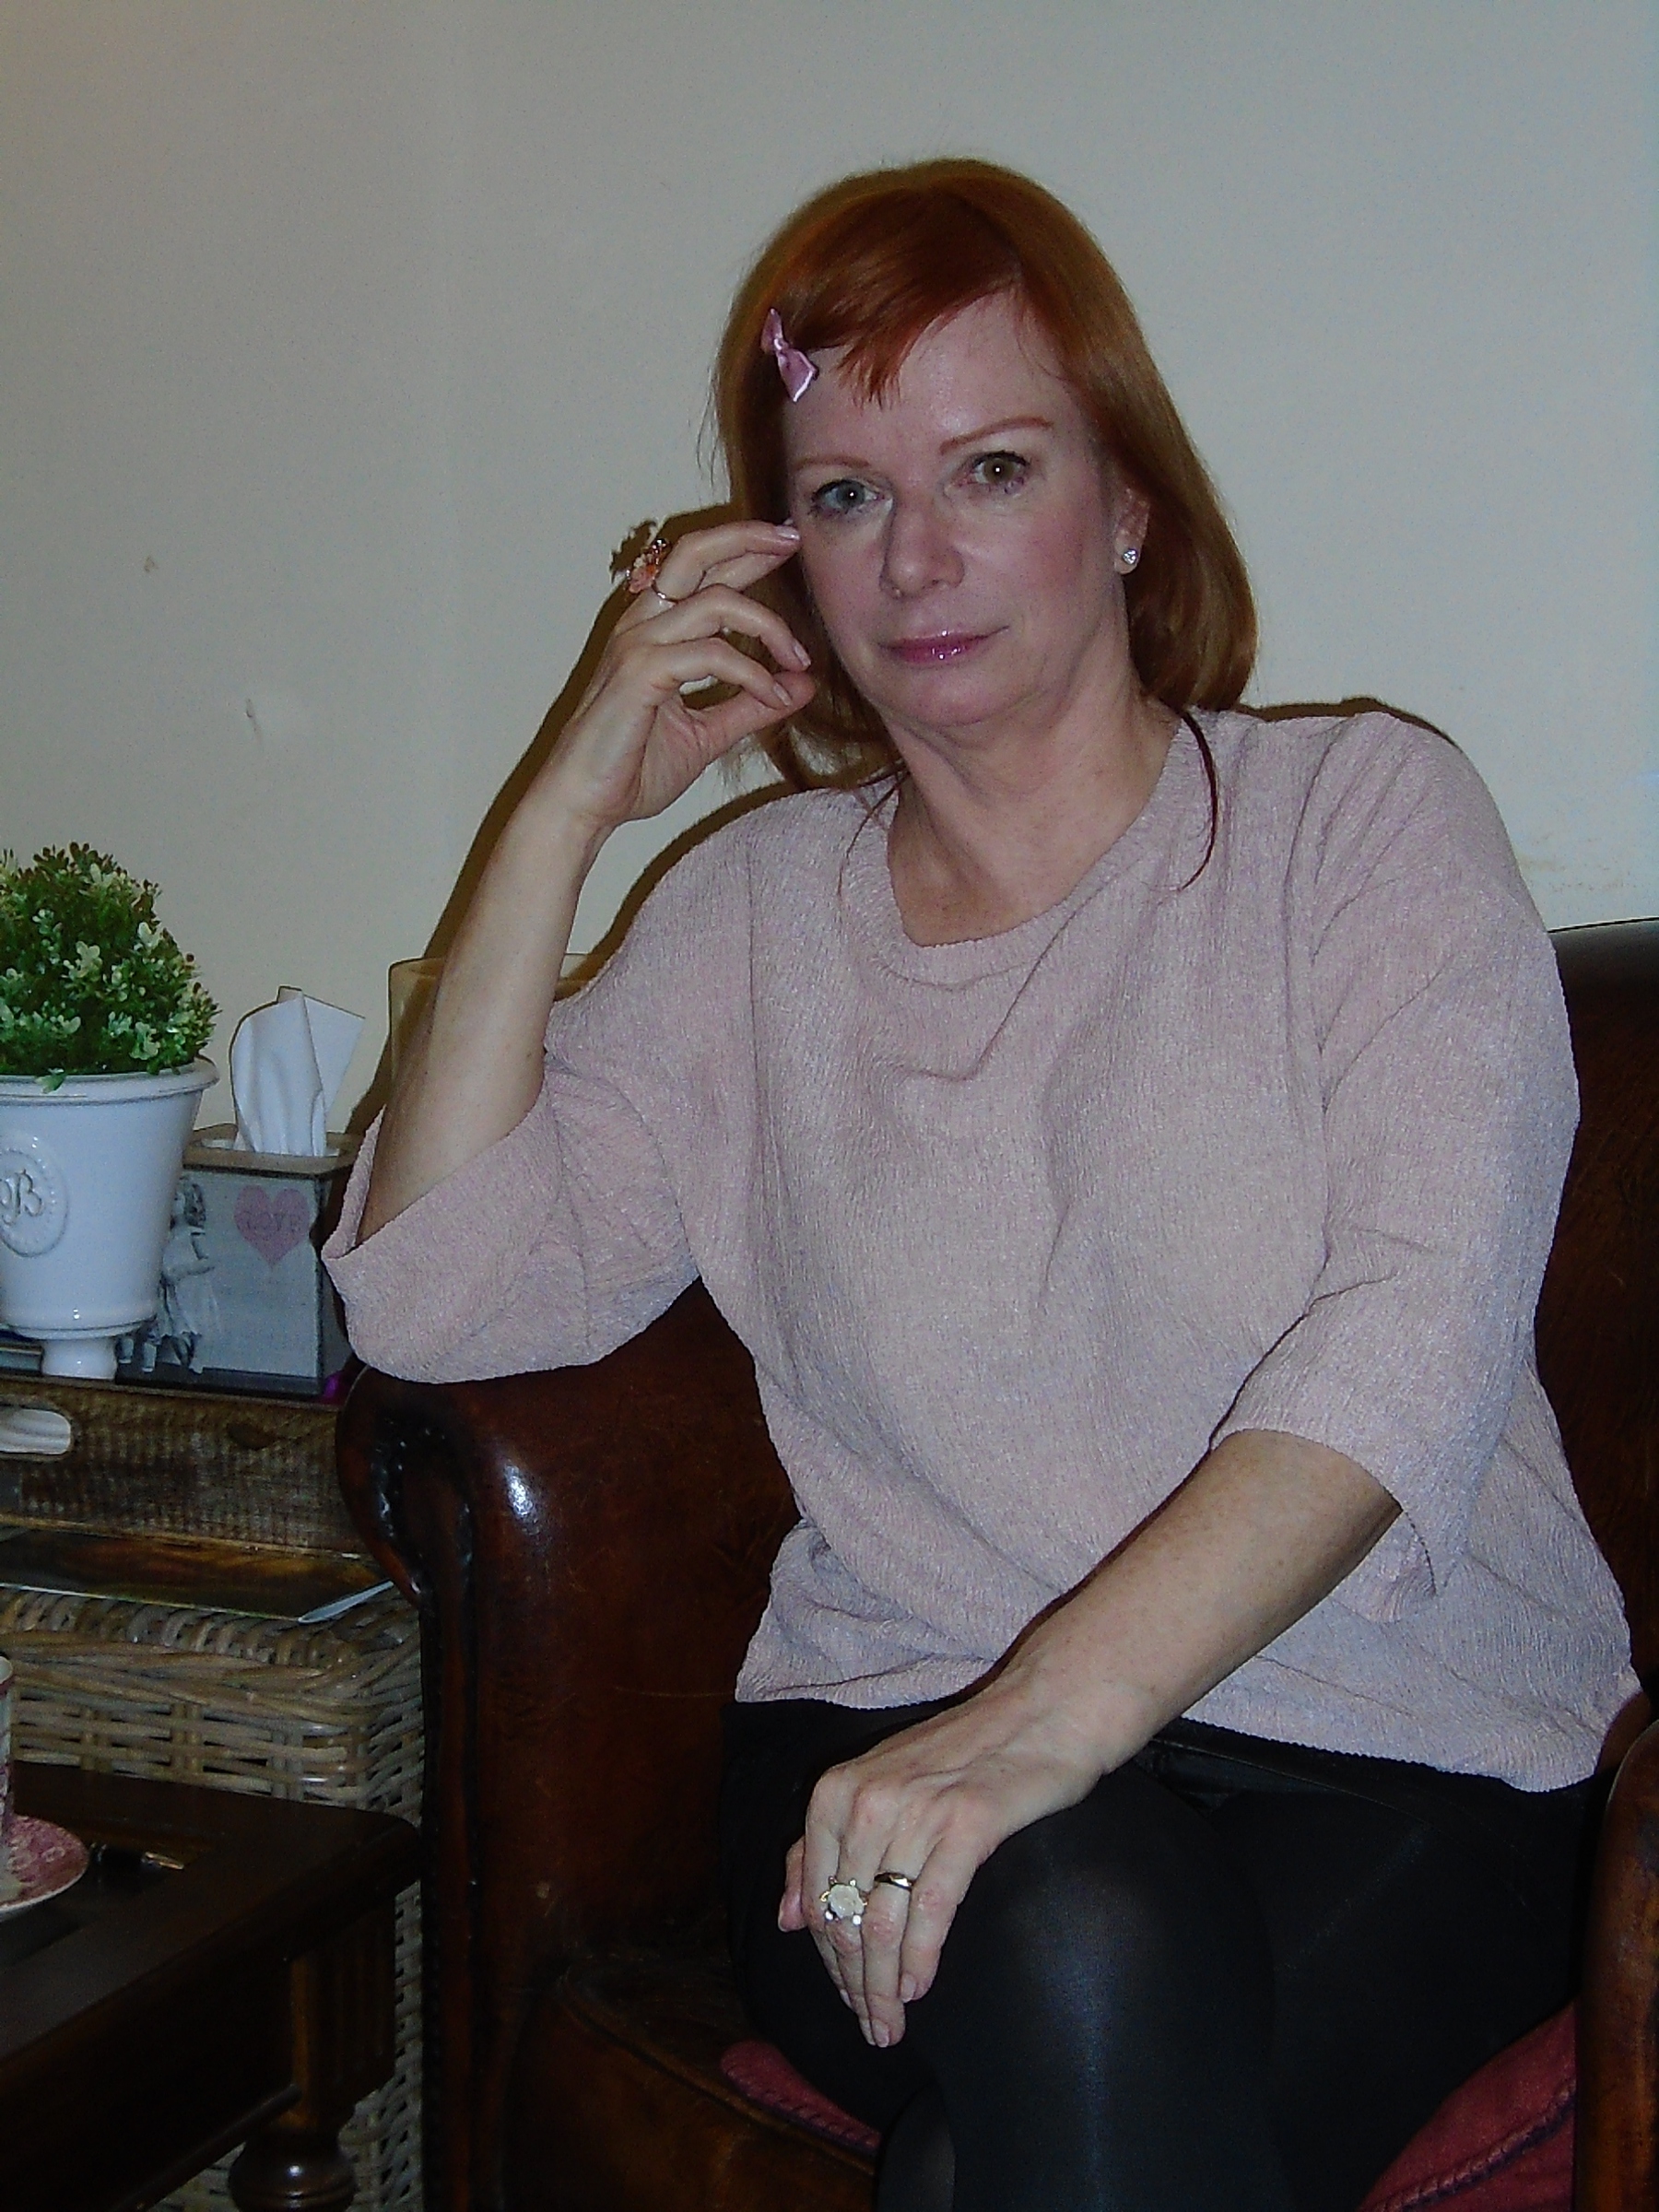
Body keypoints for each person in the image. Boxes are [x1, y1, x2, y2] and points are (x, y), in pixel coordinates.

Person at [324, 160, 1638, 2211]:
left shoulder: (1362, 822)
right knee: (1078, 1925)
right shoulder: (750, 922)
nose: (918, 557)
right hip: (890, 1735)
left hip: (1406, 1753)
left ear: (1127, 507)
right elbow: (437, 1295)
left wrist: (1045, 1719)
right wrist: (568, 801)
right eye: (847, 494)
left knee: (994, 2137)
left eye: (992, 469)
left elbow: (1416, 1331)